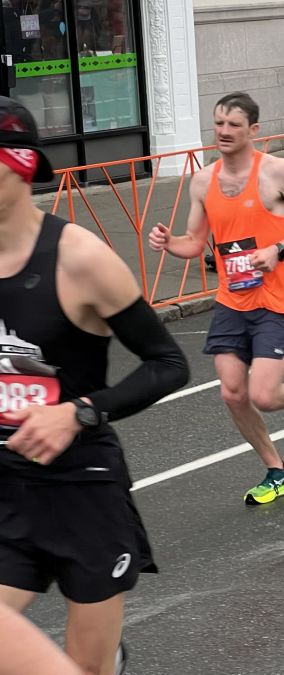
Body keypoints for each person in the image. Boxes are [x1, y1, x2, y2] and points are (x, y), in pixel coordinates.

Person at [0, 97, 189, 675]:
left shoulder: (80, 258)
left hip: (83, 493)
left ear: (19, 163)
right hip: (7, 488)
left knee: (88, 668)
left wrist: (77, 413)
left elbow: (167, 363)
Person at [148, 93, 284, 506]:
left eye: (233, 125)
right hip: (232, 299)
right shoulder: (203, 181)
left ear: (253, 130)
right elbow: (194, 243)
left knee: (263, 394)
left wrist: (278, 250)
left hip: (273, 298)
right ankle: (276, 471)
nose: (224, 132)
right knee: (232, 392)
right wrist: (167, 242)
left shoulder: (276, 173)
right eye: (218, 124)